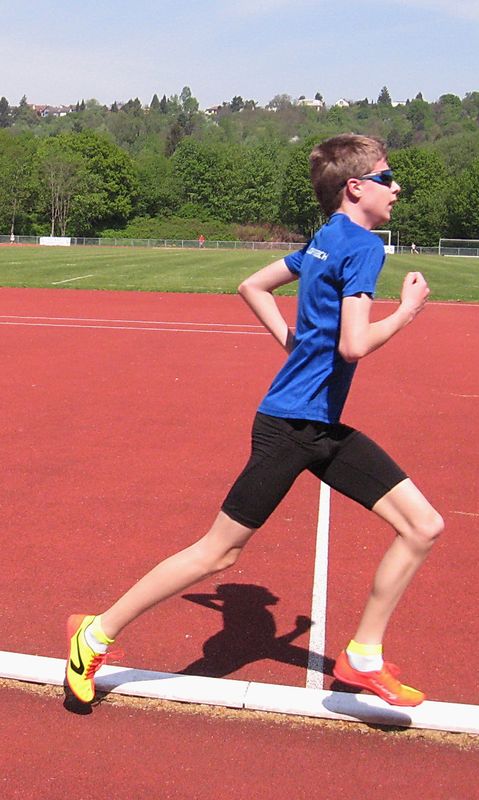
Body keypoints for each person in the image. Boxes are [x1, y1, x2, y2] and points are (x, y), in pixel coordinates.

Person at [66, 133, 443, 706]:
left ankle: (363, 658)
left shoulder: (326, 237)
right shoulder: (364, 247)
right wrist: (408, 311)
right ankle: (94, 635)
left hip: (316, 427)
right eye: (387, 178)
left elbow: (253, 285)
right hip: (292, 428)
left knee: (422, 526)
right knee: (218, 552)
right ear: (356, 187)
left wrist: (294, 345)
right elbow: (353, 345)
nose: (397, 188)